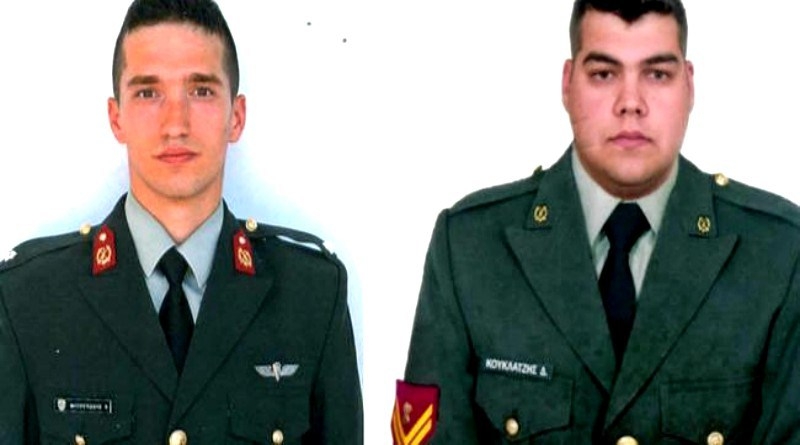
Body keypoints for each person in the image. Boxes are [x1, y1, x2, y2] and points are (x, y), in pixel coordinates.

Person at [394, 0, 800, 443]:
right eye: (604, 74)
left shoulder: (778, 256)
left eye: (657, 74)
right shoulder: (470, 250)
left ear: (689, 86)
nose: (631, 103)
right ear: (568, 85)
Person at [0, 1, 362, 443]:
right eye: (148, 93)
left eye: (202, 90)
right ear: (116, 118)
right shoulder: (27, 300)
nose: (176, 124)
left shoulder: (311, 296)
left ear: (237, 117)